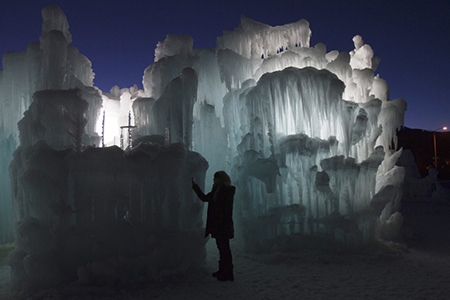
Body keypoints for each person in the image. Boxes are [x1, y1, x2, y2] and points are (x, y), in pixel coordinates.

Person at [191, 171, 235, 281]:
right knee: (221, 248)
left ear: (221, 178)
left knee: (224, 249)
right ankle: (223, 271)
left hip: (223, 225)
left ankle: (227, 273)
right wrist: (195, 186)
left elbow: (226, 210)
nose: (214, 179)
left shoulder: (227, 190)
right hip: (218, 225)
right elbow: (204, 198)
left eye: (215, 177)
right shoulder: (217, 190)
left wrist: (221, 223)